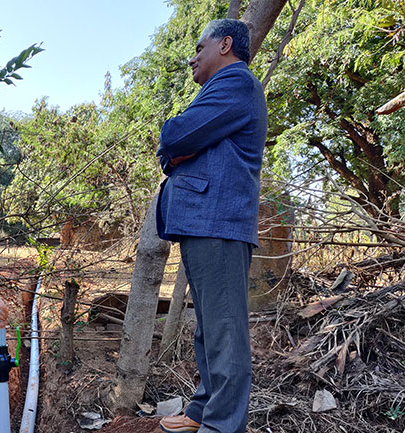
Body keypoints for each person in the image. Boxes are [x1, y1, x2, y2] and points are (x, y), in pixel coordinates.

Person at [155, 19, 267, 433]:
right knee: (209, 327)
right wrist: (177, 148)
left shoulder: (235, 83)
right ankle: (203, 410)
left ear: (225, 45)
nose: (192, 57)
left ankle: (221, 426)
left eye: (199, 48)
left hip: (218, 223)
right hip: (205, 222)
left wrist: (178, 144)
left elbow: (176, 135)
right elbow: (171, 154)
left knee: (224, 331)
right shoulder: (220, 91)